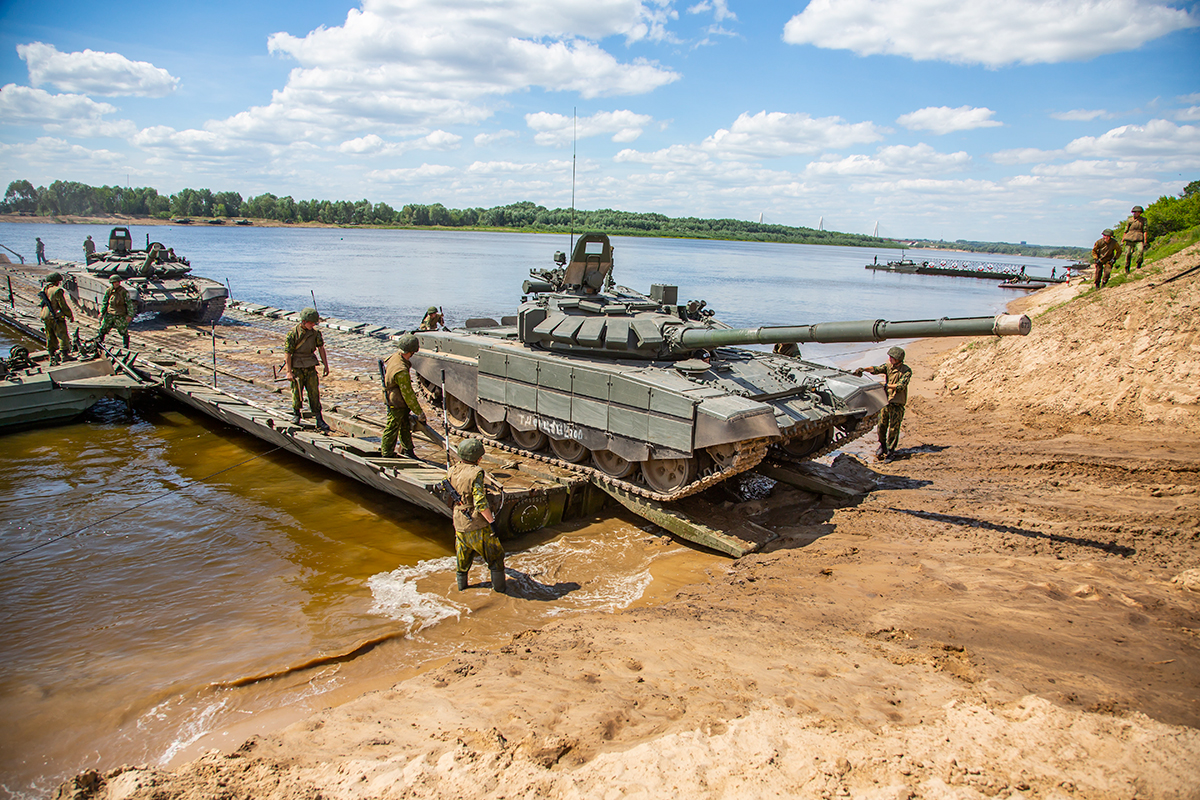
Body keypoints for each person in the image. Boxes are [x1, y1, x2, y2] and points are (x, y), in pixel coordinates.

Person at [448, 438, 506, 594]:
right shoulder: (476, 473)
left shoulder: (452, 469)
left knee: (462, 558)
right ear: (478, 458)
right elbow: (480, 503)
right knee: (495, 556)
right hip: (476, 523)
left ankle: (462, 590)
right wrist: (492, 522)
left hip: (459, 521)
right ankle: (501, 593)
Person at [854, 345, 912, 461]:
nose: (890, 359)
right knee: (881, 426)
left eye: (892, 358)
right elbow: (876, 369)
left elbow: (900, 386)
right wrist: (864, 369)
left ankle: (891, 451)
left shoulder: (906, 371)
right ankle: (883, 446)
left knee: (893, 429)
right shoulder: (888, 367)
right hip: (886, 402)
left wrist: (884, 385)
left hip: (897, 404)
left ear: (898, 359)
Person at [284, 307, 330, 431]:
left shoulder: (315, 334)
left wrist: (326, 365)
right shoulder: (293, 333)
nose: (313, 325)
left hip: (310, 365)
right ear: (304, 321)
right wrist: (288, 372)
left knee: (314, 392)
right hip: (297, 367)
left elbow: (321, 348)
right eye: (311, 322)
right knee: (297, 392)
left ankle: (319, 419)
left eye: (314, 323)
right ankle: (296, 414)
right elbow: (288, 353)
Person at [381, 334, 425, 459]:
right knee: (392, 426)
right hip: (396, 401)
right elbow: (408, 394)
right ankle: (386, 454)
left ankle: (408, 451)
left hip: (396, 398)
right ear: (412, 352)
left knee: (404, 425)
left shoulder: (396, 357)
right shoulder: (401, 370)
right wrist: (419, 412)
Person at [38, 272, 75, 364]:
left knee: (50, 336)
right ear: (57, 281)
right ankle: (64, 355)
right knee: (62, 334)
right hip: (55, 316)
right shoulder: (57, 290)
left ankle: (52, 355)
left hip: (45, 316)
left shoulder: (44, 289)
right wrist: (69, 314)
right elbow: (62, 305)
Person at [97, 274, 134, 348]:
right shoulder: (109, 291)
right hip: (110, 313)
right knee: (103, 328)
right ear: (112, 283)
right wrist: (102, 312)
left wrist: (130, 315)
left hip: (120, 314)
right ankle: (99, 343)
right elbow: (105, 302)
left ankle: (125, 346)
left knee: (123, 330)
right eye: (115, 282)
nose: (117, 283)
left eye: (118, 282)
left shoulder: (124, 292)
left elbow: (129, 304)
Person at [1122, 205, 1149, 273]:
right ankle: (1127, 267)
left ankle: (1138, 264)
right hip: (1129, 238)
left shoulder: (1143, 220)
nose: (1137, 213)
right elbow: (1126, 231)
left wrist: (1145, 240)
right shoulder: (1130, 220)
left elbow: (1145, 230)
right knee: (1128, 253)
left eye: (1138, 212)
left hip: (1139, 238)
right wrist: (1122, 241)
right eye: (1136, 212)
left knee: (1140, 251)